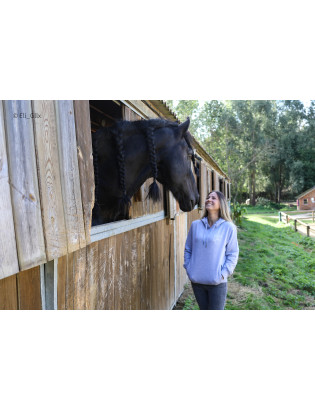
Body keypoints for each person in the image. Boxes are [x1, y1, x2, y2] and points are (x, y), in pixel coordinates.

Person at [184, 191, 239, 310]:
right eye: (208, 197)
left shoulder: (229, 227)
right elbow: (188, 249)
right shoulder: (195, 225)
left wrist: (223, 274)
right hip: (197, 281)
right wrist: (189, 268)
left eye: (213, 198)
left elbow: (233, 253)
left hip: (217, 283)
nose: (209, 199)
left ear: (221, 204)